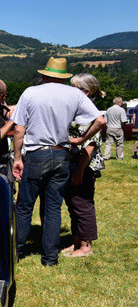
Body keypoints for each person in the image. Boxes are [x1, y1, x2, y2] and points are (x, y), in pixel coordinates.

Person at [11, 57, 104, 266]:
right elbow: (100, 120)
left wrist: (17, 157)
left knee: (25, 206)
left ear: (44, 75)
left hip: (36, 154)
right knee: (54, 208)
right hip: (61, 154)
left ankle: (15, 252)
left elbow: (18, 129)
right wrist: (81, 139)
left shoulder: (30, 92)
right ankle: (50, 258)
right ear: (63, 77)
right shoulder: (74, 94)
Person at [63, 73, 106, 258]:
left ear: (86, 92)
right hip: (72, 164)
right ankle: (76, 242)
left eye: (74, 88)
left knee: (82, 204)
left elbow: (90, 146)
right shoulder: (78, 111)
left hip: (84, 166)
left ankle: (86, 246)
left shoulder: (92, 114)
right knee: (73, 203)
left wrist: (79, 170)